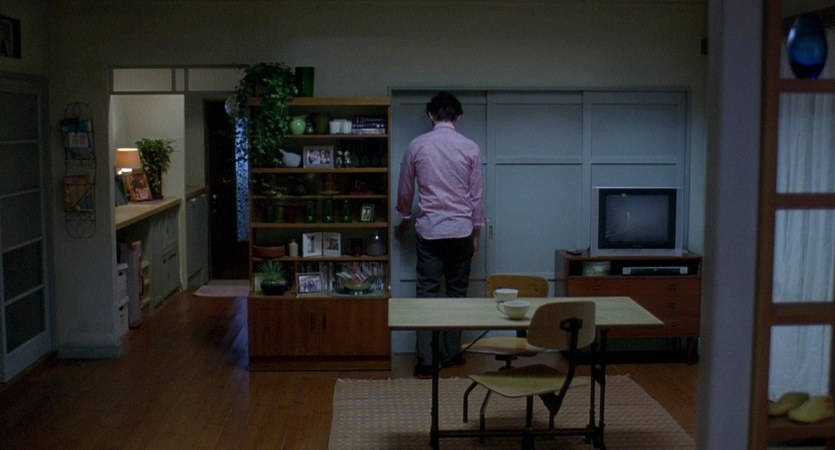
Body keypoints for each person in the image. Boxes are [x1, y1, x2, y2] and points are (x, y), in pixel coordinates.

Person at [395, 91, 487, 379]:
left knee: (427, 293)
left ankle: (425, 361)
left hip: (430, 229)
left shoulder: (417, 145)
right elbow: (477, 195)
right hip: (461, 229)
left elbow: (406, 188)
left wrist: (404, 219)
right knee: (457, 293)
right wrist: (476, 233)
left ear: (430, 115)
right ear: (457, 117)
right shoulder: (470, 147)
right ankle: (451, 354)